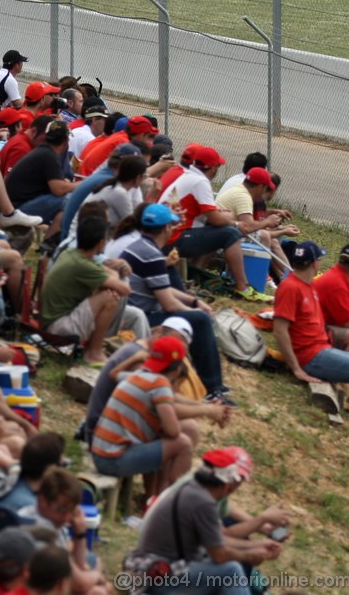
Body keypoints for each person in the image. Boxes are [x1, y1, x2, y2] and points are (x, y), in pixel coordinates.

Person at [125, 448, 281, 593]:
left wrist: (257, 545)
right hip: (155, 575)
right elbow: (219, 554)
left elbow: (219, 540)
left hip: (152, 567)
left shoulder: (194, 488)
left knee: (225, 567)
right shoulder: (203, 502)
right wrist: (249, 555)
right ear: (227, 484)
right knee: (231, 571)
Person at [119, 204, 229, 400]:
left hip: (133, 311)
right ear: (168, 228)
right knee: (201, 321)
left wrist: (194, 302)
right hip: (141, 318)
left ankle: (205, 377)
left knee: (195, 314)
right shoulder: (151, 254)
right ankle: (213, 388)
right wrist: (194, 311)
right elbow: (169, 304)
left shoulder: (141, 246)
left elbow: (161, 288)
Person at [162, 145, 272, 302]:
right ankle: (243, 288)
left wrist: (223, 216)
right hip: (174, 238)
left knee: (218, 229)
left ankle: (196, 275)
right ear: (214, 168)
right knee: (230, 233)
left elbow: (208, 213)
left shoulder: (188, 176)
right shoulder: (200, 182)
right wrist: (235, 223)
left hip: (167, 234)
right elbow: (215, 219)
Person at [90, 336, 198, 491]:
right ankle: (170, 500)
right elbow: (173, 431)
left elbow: (114, 373)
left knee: (161, 436)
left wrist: (135, 358)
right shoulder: (160, 384)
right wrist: (206, 411)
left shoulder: (138, 375)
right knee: (183, 443)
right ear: (178, 368)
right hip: (112, 460)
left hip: (100, 452)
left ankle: (156, 496)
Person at [39, 215, 146, 365]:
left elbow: (107, 272)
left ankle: (102, 348)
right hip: (58, 328)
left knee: (128, 307)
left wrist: (113, 276)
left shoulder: (73, 254)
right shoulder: (82, 265)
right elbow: (125, 289)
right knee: (109, 297)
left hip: (56, 319)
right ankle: (94, 352)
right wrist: (114, 277)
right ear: (101, 243)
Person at [273, 240, 349, 385]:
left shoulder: (307, 285)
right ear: (315, 264)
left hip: (321, 348)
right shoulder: (291, 288)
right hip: (312, 357)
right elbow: (280, 330)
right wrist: (296, 369)